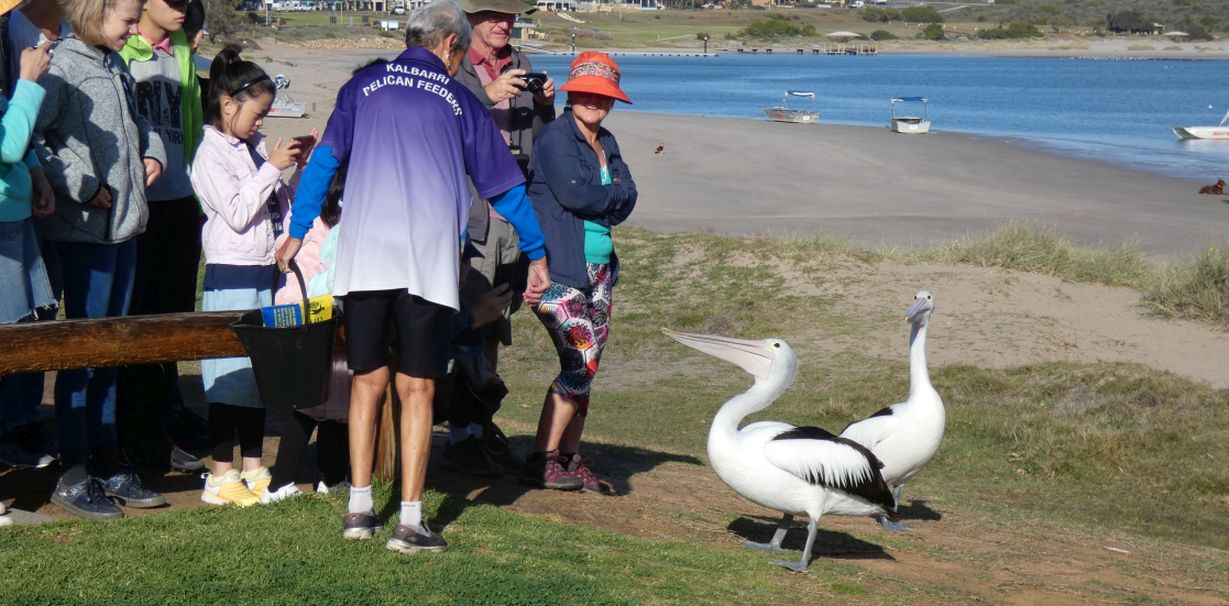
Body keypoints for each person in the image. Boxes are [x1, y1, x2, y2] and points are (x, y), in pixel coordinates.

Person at [276, 0, 549, 554]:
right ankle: (409, 521)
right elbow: (503, 188)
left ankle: (358, 510)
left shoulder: (362, 87)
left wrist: (298, 229)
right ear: (450, 44)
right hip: (425, 259)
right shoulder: (461, 100)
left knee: (367, 380)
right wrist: (538, 251)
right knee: (418, 384)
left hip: (364, 256)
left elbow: (326, 160)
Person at [32, 0, 168, 519]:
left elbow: (137, 123)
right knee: (81, 354)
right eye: (128, 19)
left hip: (125, 231)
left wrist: (153, 149)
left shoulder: (115, 64)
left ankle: (109, 461)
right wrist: (82, 186)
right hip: (84, 235)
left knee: (112, 350)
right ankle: (73, 471)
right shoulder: (61, 67)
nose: (136, 29)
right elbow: (34, 143)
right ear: (95, 12)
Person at [442, 0, 556, 477]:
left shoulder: (523, 64)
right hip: (474, 212)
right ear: (470, 21)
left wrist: (547, 105)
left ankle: (479, 424)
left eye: (510, 17)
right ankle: (460, 434)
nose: (503, 24)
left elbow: (541, 137)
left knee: (495, 324)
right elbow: (439, 124)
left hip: (515, 211)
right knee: (467, 316)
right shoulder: (453, 66)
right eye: (493, 15)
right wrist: (487, 93)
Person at [191, 46, 308, 507]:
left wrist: (295, 167)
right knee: (227, 374)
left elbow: (274, 206)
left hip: (262, 269)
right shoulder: (209, 155)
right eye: (257, 114)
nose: (261, 124)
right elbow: (239, 213)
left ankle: (254, 468)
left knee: (259, 374)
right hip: (230, 270)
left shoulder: (253, 148)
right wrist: (271, 170)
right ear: (227, 103)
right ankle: (220, 475)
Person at [524, 51, 637, 495]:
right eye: (587, 93)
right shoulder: (555, 139)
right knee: (581, 357)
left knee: (588, 369)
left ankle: (570, 457)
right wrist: (611, 195)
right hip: (559, 269)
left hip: (600, 269)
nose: (594, 101)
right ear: (573, 93)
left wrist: (607, 194)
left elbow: (629, 195)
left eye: (603, 95)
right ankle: (543, 459)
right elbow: (576, 196)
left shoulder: (606, 141)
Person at [116, 0, 207, 474]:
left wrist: (196, 192)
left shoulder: (184, 51)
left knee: (174, 316)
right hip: (139, 206)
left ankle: (167, 416)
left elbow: (189, 128)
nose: (183, 6)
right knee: (137, 318)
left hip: (179, 202)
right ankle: (135, 429)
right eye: (172, 0)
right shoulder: (121, 50)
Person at [0, 0, 70, 471]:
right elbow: (5, 140)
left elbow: (9, 131)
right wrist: (29, 82)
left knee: (24, 329)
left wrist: (35, 169)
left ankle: (15, 430)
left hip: (15, 212)